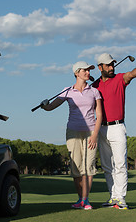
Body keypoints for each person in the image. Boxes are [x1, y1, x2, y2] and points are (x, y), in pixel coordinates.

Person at [92, 53, 136, 210]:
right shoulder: (94, 86)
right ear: (100, 67)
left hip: (117, 127)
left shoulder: (120, 79)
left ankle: (121, 198)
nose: (112, 67)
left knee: (120, 164)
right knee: (107, 166)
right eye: (108, 65)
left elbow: (132, 74)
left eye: (113, 64)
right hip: (101, 129)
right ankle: (113, 197)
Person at [40, 61, 102, 210]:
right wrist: (44, 105)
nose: (88, 72)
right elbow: (51, 107)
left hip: (91, 132)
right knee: (76, 168)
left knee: (88, 167)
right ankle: (80, 199)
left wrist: (94, 135)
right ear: (76, 73)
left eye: (88, 70)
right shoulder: (67, 91)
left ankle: (86, 200)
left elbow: (99, 115)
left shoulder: (94, 91)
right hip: (73, 132)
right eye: (85, 70)